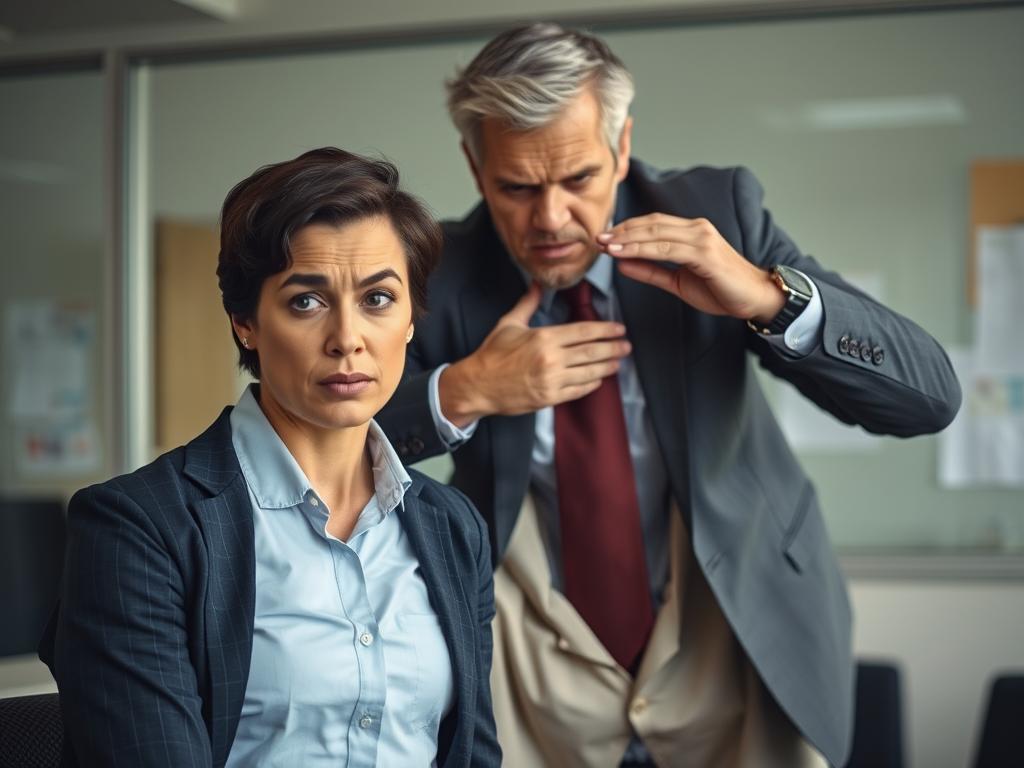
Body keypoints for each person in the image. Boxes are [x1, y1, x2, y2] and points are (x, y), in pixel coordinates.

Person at [376, 23, 961, 768]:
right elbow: (325, 446)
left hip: (735, 642)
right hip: (535, 677)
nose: (550, 219)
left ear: (621, 148)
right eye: (517, 188)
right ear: (474, 164)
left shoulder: (720, 213)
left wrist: (763, 297)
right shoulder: (441, 274)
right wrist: (464, 391)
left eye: (580, 179)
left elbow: (927, 399)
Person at [39, 147, 501, 768]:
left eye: (378, 299)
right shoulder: (138, 528)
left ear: (413, 318)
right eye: (305, 301)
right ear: (244, 322)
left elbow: (471, 755)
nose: (347, 339)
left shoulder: (453, 526)